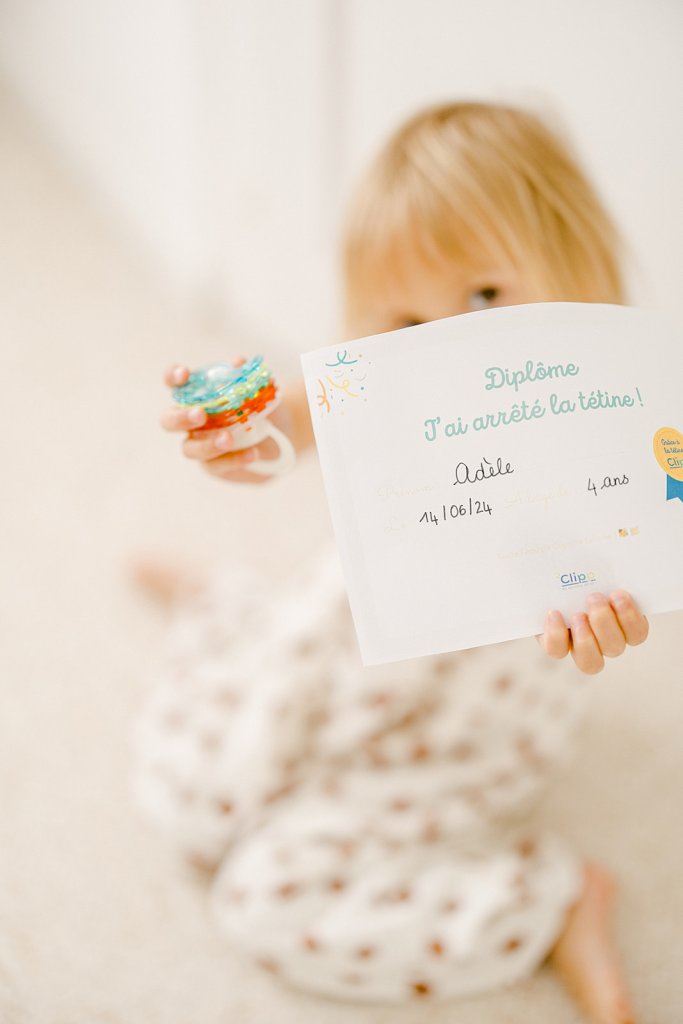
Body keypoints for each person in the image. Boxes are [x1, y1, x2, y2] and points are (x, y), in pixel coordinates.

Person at [132, 102, 649, 1023]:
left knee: (268, 897)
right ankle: (228, 602)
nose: (441, 342)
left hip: (459, 730)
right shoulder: (393, 388)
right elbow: (293, 420)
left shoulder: (610, 431)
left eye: (482, 297)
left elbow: (625, 569)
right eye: (406, 320)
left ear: (578, 280)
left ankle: (557, 900)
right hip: (335, 651)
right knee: (192, 798)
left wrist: (603, 616)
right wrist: (249, 438)